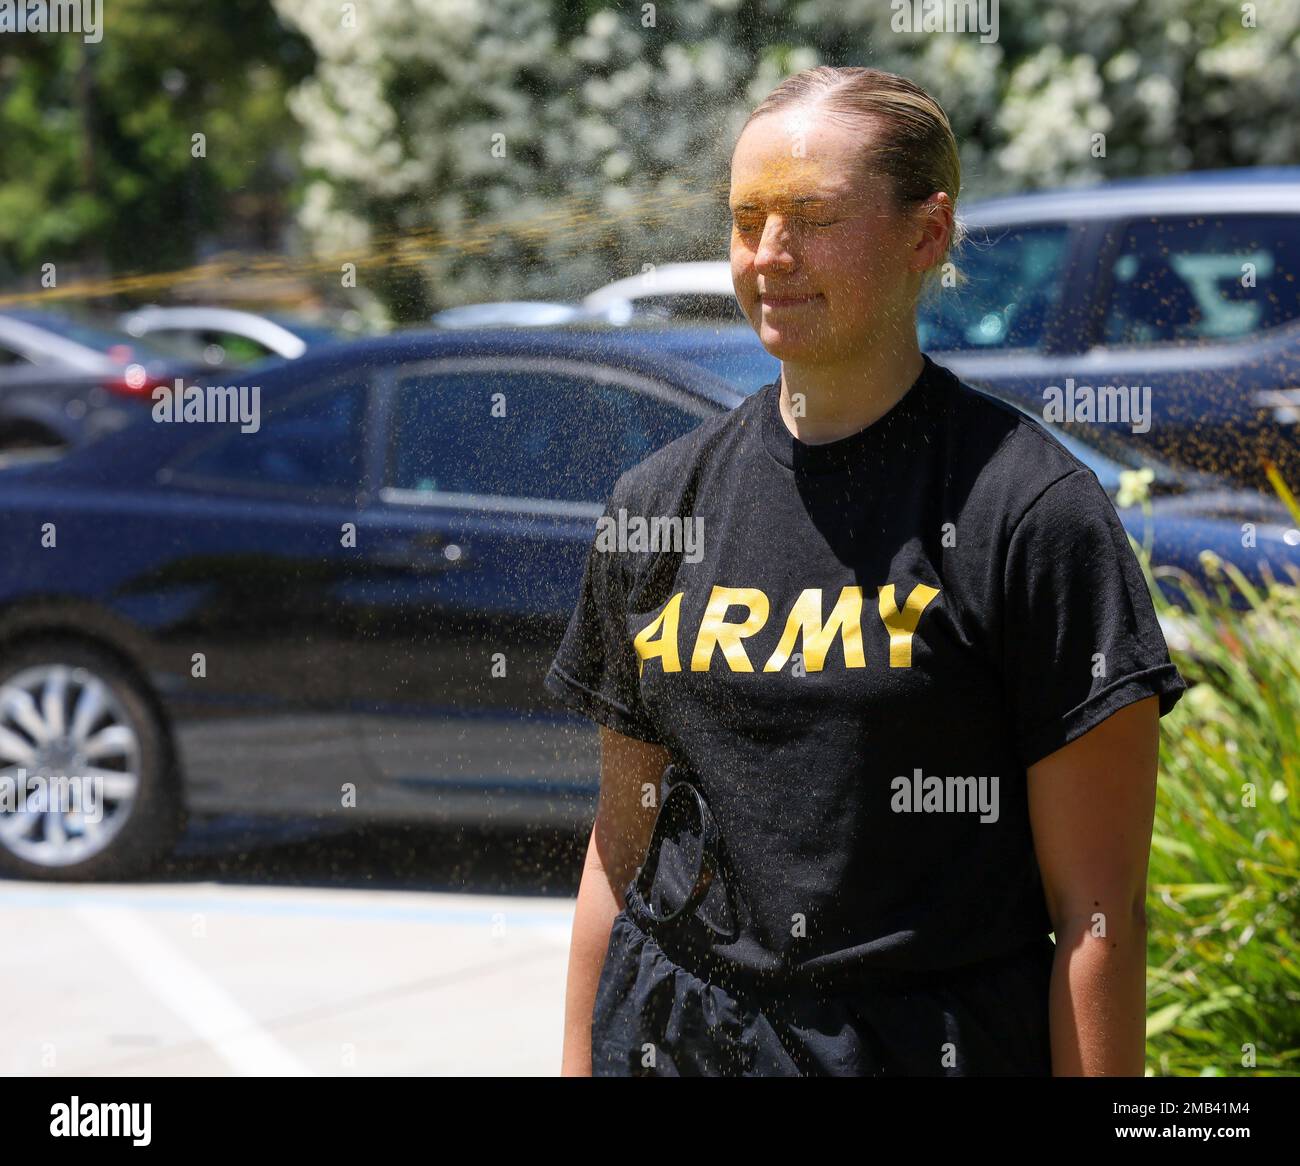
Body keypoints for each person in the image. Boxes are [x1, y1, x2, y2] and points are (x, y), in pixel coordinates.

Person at [545, 65, 1187, 1077]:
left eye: (812, 215)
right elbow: (616, 854)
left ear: (925, 234)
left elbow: (1095, 913)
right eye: (746, 217)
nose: (769, 254)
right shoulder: (655, 505)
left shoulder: (1029, 513)